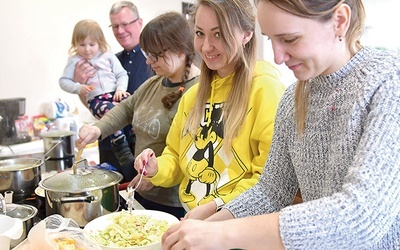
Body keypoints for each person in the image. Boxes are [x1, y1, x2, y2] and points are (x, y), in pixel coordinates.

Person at [160, 0, 400, 249]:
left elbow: (361, 217)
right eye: (271, 39)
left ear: (339, 21)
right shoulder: (293, 98)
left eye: (290, 39)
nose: (277, 56)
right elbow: (272, 191)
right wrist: (213, 221)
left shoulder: (388, 81)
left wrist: (222, 233)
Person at [133, 0, 285, 220]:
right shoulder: (192, 97)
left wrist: (215, 209)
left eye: (218, 34)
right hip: (193, 221)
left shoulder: (265, 90)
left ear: (247, 34)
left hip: (238, 226)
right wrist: (156, 167)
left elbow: (268, 181)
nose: (206, 46)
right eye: (199, 33)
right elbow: (175, 156)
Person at [77, 11, 200, 219]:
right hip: (143, 192)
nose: (149, 62)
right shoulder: (154, 83)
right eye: (147, 54)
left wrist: (154, 177)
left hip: (176, 202)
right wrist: (96, 129)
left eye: (156, 55)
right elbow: (126, 108)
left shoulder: (199, 91)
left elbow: (190, 150)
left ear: (180, 50)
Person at [73, 1, 152, 182]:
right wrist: (80, 85)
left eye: (125, 24)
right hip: (109, 146)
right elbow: (94, 104)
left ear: (139, 23)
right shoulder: (108, 62)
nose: (120, 31)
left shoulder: (153, 60)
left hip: (141, 151)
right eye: (115, 26)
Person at [59, 19, 133, 167]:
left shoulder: (108, 55)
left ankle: (133, 134)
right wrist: (79, 87)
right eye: (82, 45)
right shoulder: (75, 61)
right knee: (112, 111)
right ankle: (119, 143)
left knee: (130, 105)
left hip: (113, 94)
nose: (87, 49)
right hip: (96, 100)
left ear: (100, 42)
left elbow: (122, 74)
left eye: (92, 45)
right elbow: (63, 81)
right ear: (75, 44)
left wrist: (120, 90)